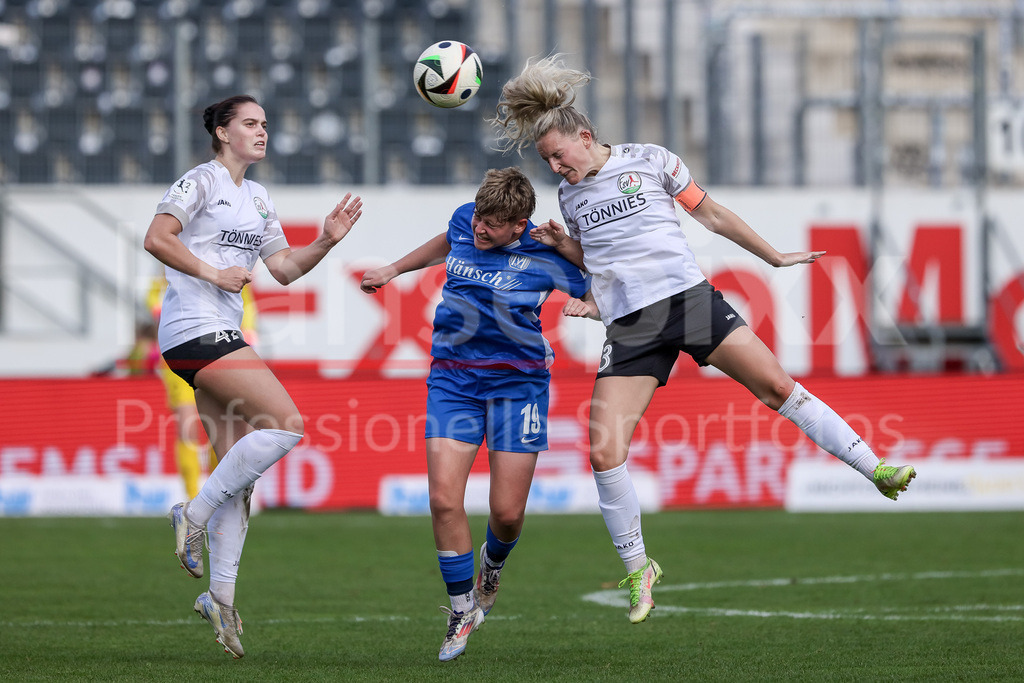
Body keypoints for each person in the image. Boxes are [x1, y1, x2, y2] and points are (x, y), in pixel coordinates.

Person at [492, 55, 917, 624]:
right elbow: (602, 263)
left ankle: (876, 470)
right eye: (547, 163)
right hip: (634, 326)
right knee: (602, 448)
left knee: (775, 388)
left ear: (585, 137)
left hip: (688, 302)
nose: (557, 170)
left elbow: (712, 216)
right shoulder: (570, 201)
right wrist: (571, 257)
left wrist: (774, 256)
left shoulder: (651, 161)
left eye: (559, 157)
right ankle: (640, 567)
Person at [143, 94, 362, 658]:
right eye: (249, 124)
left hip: (218, 332)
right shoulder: (201, 181)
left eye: (265, 124)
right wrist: (214, 272)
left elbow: (284, 268)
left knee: (238, 480)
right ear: (221, 131)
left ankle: (219, 597)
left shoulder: (257, 196)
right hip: (193, 328)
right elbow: (157, 237)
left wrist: (326, 240)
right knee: (286, 424)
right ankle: (191, 512)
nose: (262, 132)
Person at [360, 167, 589, 661]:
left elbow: (599, 279)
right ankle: (462, 610)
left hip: (519, 386)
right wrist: (393, 270)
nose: (480, 229)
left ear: (520, 226)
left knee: (506, 515)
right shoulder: (466, 221)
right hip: (454, 379)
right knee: (444, 500)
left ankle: (492, 566)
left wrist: (586, 299)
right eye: (479, 218)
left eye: (493, 224)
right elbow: (446, 240)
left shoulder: (546, 256)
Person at [146, 275, 261, 500]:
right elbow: (155, 302)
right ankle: (191, 497)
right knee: (187, 427)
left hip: (217, 352)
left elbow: (246, 306)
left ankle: (215, 493)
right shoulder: (169, 269)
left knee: (219, 427)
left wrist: (246, 334)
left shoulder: (225, 263)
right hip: (179, 355)